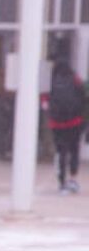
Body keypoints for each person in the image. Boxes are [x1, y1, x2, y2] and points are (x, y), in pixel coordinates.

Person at [46, 60, 86, 194]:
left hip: (57, 123)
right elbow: (83, 97)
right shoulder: (75, 79)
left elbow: (46, 99)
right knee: (74, 150)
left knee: (60, 152)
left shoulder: (50, 80)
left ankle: (61, 183)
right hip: (74, 122)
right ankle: (73, 179)